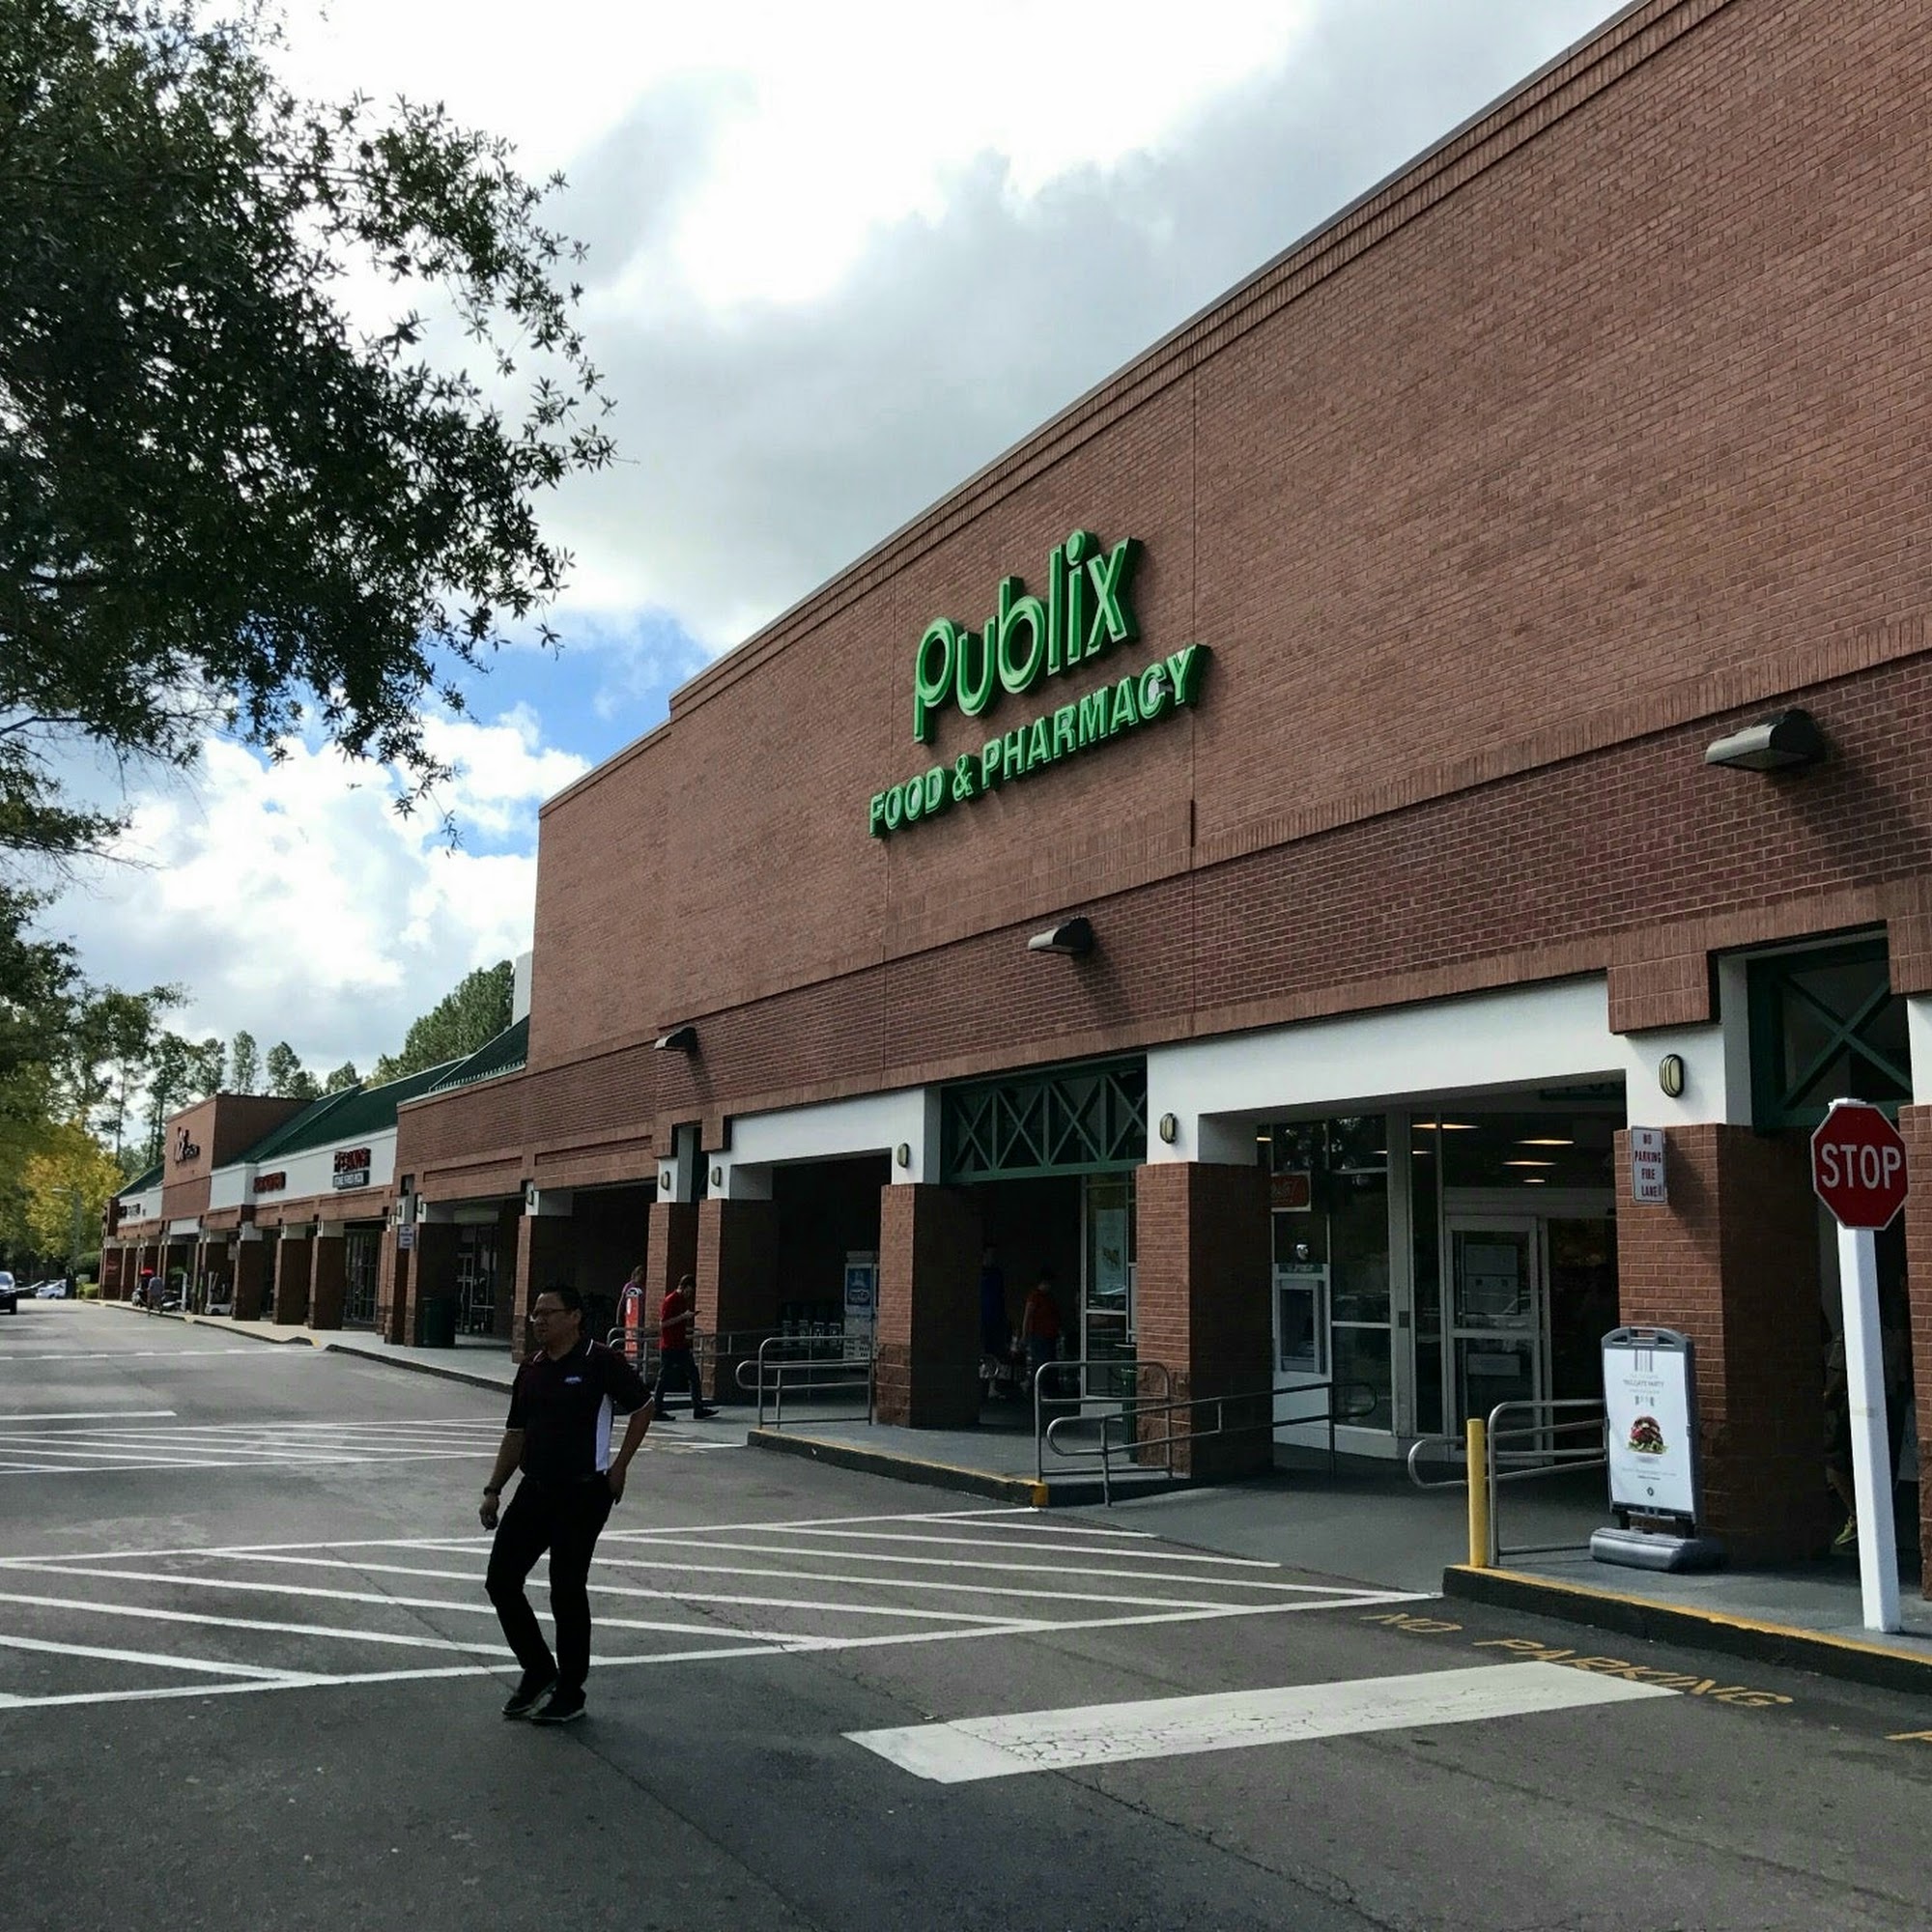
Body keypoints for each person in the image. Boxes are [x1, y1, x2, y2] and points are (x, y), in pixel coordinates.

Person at [479, 1284, 656, 1724]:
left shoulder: (601, 1362)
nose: (539, 1321)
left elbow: (643, 1406)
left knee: (566, 1588)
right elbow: (515, 1433)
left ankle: (571, 1690)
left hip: (584, 1492)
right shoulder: (531, 1369)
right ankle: (539, 1671)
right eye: (535, 1314)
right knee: (501, 1581)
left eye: (548, 1313)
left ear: (574, 1317)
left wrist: (619, 1467)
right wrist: (494, 1488)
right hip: (534, 1489)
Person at [653, 1271, 718, 1420]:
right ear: (684, 1287)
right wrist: (683, 1316)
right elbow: (663, 1324)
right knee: (663, 1378)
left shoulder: (682, 1301)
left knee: (693, 1375)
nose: (690, 1295)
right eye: (689, 1291)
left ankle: (698, 1408)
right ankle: (656, 1410)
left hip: (680, 1345)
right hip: (669, 1346)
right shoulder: (670, 1300)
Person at [1020, 1266, 1063, 1397]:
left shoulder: (1049, 1298)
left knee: (1046, 1362)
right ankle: (1036, 1387)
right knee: (1039, 1362)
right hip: (1038, 1335)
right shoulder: (1035, 1297)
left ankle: (1036, 1387)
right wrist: (1024, 1334)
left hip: (1049, 1335)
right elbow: (1027, 1316)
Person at [979, 1246, 1010, 1395]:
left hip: (994, 1318)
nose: (992, 1257)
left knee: (993, 1353)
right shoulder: (978, 1272)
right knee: (981, 1351)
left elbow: (1001, 1297)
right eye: (989, 1254)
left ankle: (992, 1385)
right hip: (981, 1318)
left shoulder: (996, 1274)